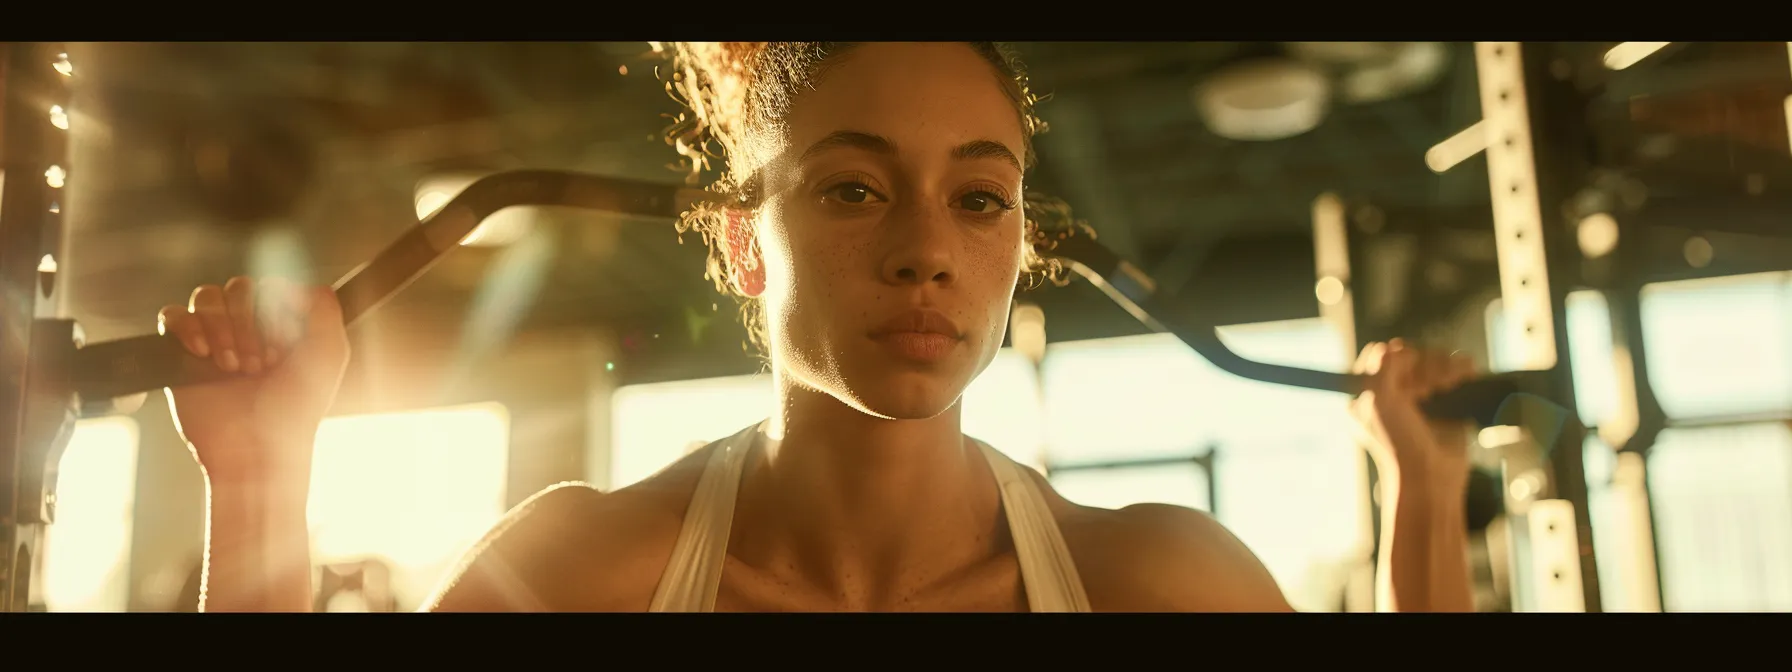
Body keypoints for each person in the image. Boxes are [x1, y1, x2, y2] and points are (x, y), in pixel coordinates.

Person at [161, 41, 1478, 612]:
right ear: (743, 238)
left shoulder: (1164, 584)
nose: (924, 252)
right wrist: (263, 478)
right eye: (853, 189)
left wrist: (1425, 490)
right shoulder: (580, 573)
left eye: (980, 198)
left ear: (1021, 242)